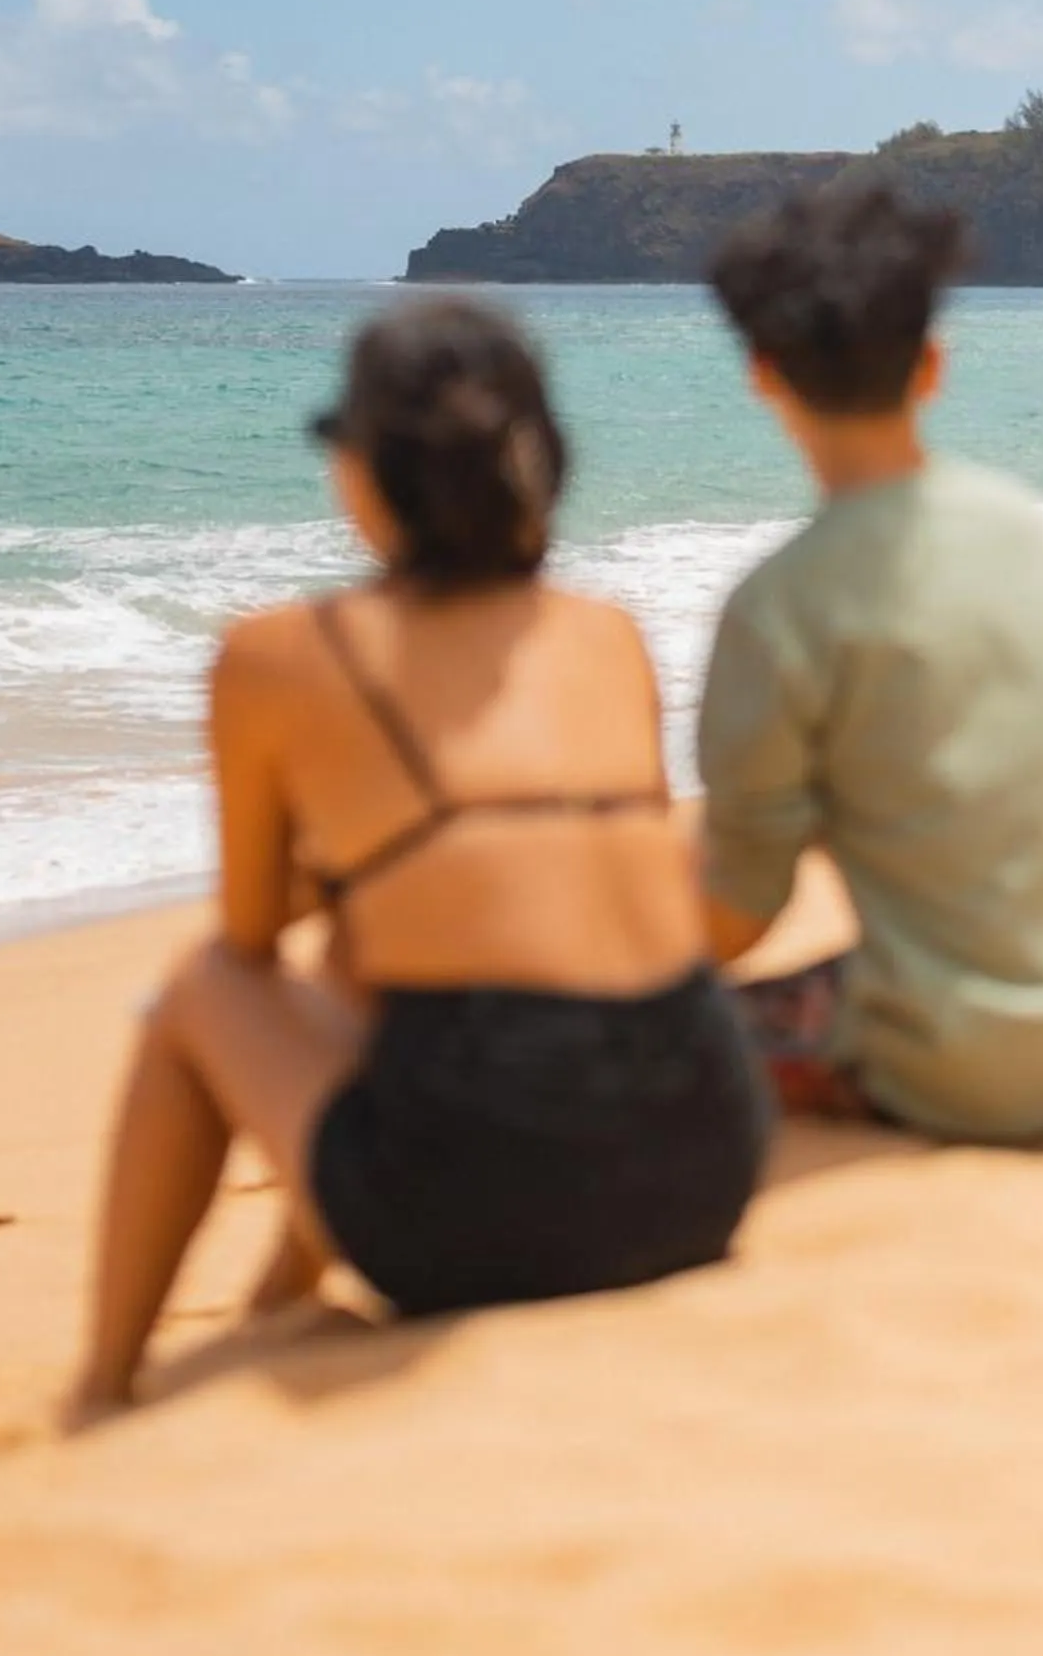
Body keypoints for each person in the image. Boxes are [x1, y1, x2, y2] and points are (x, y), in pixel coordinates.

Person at [71, 298, 766, 1415]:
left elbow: (249, 940)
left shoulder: (280, 655)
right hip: (701, 1158)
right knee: (375, 944)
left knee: (204, 990)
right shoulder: (606, 634)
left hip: (484, 1210)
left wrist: (352, 865)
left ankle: (102, 1386)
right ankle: (275, 1307)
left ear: (367, 471)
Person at [697, 181, 1043, 1142]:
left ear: (763, 375)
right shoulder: (1026, 527)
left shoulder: (779, 607)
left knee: (653, 1031)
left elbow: (740, 911)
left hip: (978, 1070)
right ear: (933, 366)